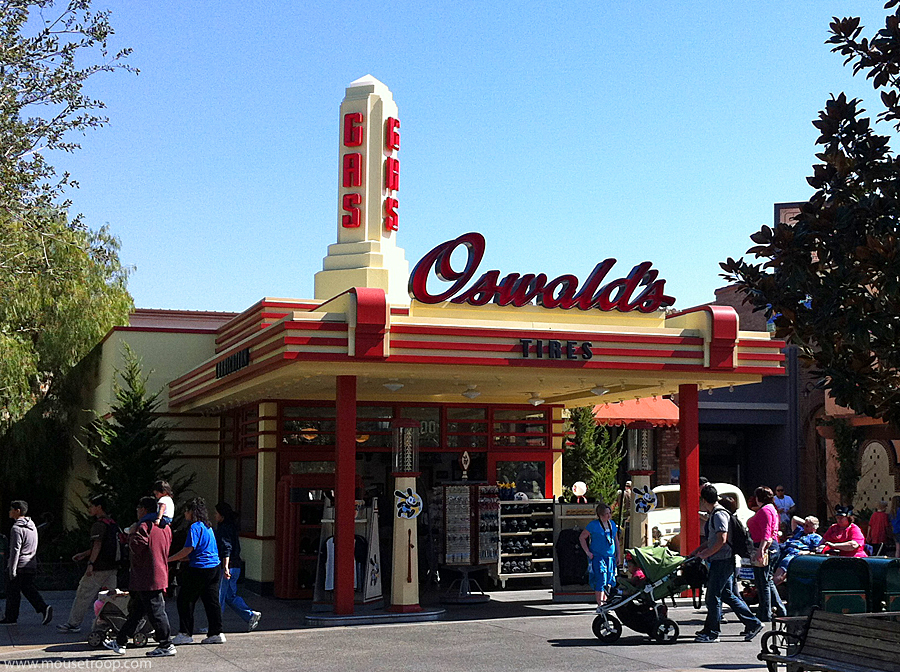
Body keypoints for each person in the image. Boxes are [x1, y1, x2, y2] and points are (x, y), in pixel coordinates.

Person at [103, 496, 175, 657]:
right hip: (159, 573)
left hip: (146, 576)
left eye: (138, 508)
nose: (137, 511)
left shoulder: (144, 526)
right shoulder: (166, 527)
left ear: (143, 509)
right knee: (138, 612)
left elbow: (137, 546)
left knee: (156, 611)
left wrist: (131, 534)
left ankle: (166, 644)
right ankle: (120, 641)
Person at [692, 484, 763, 643]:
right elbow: (712, 540)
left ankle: (712, 633)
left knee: (712, 596)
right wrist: (698, 550)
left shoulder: (718, 515)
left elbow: (721, 539)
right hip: (722, 559)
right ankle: (753, 623)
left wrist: (705, 554)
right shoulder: (716, 513)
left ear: (704, 500)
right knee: (726, 595)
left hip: (722, 560)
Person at [57, 495, 120, 633]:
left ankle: (73, 623)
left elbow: (97, 545)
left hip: (98, 567)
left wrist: (90, 563)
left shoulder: (99, 525)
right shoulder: (112, 523)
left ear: (99, 507)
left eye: (91, 506)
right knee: (111, 597)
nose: (89, 509)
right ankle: (112, 623)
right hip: (112, 566)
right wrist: (85, 554)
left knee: (83, 594)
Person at [168, 497, 224, 645]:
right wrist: (184, 558)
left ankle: (185, 633)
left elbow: (188, 549)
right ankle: (216, 632)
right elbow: (201, 550)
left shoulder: (194, 527)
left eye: (186, 511)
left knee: (185, 600)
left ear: (192, 512)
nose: (185, 514)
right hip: (214, 567)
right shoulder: (208, 527)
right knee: (211, 601)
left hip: (199, 568)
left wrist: (169, 559)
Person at [1, 501, 52, 625]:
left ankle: (11, 618)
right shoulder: (32, 525)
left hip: (19, 565)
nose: (9, 511)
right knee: (27, 588)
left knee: (13, 592)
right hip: (30, 564)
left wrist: (11, 570)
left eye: (11, 509)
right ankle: (43, 608)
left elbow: (15, 550)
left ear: (17, 511)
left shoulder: (16, 529)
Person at [214, 502, 261, 631]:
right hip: (237, 565)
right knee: (230, 596)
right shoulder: (232, 527)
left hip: (227, 566)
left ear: (222, 516)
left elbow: (226, 548)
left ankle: (215, 626)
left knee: (219, 596)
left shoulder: (223, 529)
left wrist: (225, 567)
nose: (215, 515)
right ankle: (250, 615)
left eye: (216, 513)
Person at [747, 486, 787, 621]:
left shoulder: (765, 510)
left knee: (762, 581)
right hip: (771, 546)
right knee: (767, 580)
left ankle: (765, 612)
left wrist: (761, 550)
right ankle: (780, 609)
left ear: (758, 498)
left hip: (764, 547)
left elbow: (766, 532)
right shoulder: (772, 509)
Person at [579, 502, 621, 612]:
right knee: (601, 579)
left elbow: (616, 540)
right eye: (606, 513)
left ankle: (606, 602)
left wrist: (618, 555)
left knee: (609, 580)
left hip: (610, 557)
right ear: (600, 515)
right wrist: (588, 552)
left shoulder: (612, 524)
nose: (609, 515)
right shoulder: (593, 525)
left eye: (609, 513)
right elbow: (582, 537)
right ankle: (600, 604)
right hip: (598, 557)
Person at [773, 515, 822, 586]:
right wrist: (806, 523)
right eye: (804, 525)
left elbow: (816, 551)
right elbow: (794, 518)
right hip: (783, 548)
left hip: (795, 553)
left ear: (814, 528)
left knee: (786, 561)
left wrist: (806, 552)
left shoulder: (816, 537)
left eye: (807, 526)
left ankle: (771, 585)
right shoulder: (799, 531)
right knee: (771, 553)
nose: (804, 527)